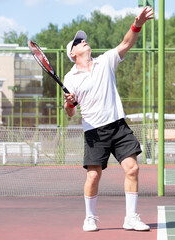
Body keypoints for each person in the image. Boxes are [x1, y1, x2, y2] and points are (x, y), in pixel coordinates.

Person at [63, 7, 153, 232]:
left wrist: (137, 24)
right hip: (94, 131)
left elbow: (126, 43)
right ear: (72, 53)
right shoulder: (69, 78)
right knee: (93, 176)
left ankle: (131, 217)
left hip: (118, 126)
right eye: (78, 42)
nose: (83, 42)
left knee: (132, 169)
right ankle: (90, 218)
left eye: (83, 40)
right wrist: (70, 103)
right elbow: (70, 112)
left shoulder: (106, 62)